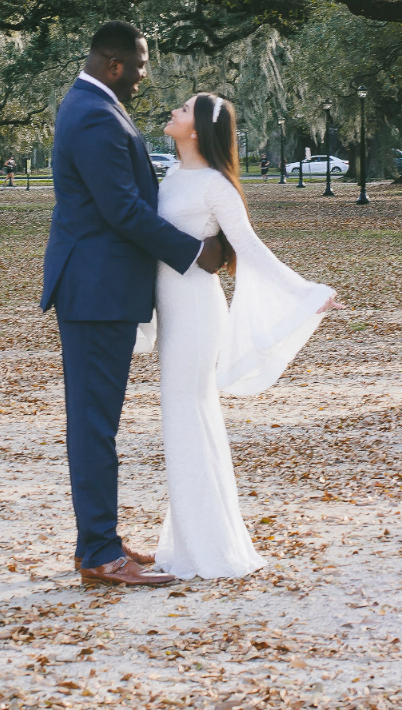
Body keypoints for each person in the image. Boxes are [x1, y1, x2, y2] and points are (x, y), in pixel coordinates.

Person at [43, 21, 231, 588]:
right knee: (94, 424)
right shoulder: (96, 114)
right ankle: (99, 552)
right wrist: (196, 253)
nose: (147, 75)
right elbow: (122, 210)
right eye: (142, 64)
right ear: (114, 63)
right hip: (96, 291)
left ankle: (96, 541)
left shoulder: (90, 105)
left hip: (100, 288)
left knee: (96, 421)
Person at [148, 92, 338, 578]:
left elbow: (249, 247)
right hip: (170, 310)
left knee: (188, 415)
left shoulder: (215, 186)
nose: (174, 111)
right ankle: (190, 541)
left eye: (184, 109)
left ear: (198, 129)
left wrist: (304, 291)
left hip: (195, 311)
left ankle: (208, 550)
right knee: (184, 420)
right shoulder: (172, 174)